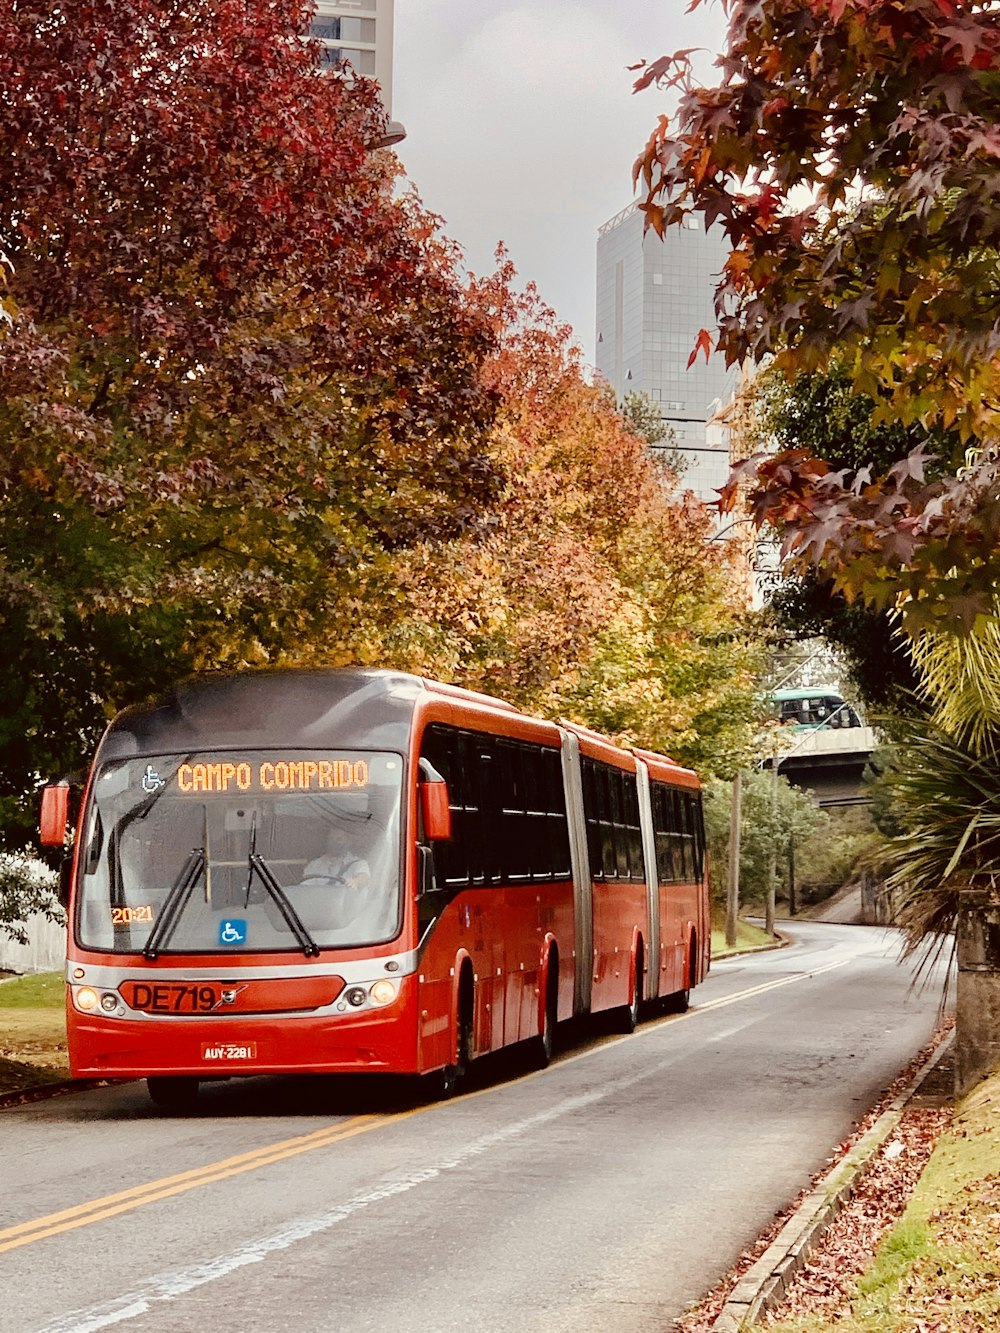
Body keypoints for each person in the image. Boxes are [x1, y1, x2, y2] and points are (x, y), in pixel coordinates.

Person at [302, 828, 370, 892]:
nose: (334, 843)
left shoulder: (358, 863)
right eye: (331, 839)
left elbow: (363, 878)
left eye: (339, 839)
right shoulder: (315, 865)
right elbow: (305, 888)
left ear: (347, 842)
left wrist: (355, 882)